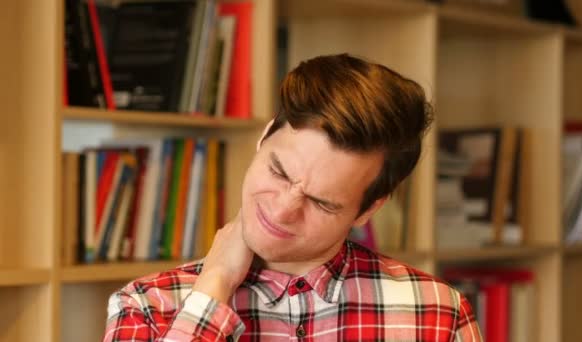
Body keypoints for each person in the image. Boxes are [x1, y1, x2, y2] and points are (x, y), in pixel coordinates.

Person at [103, 53, 482, 341]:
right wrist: (214, 286)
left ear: (368, 209)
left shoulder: (437, 313)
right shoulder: (146, 306)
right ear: (265, 135)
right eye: (279, 171)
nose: (283, 210)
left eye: (322, 202)